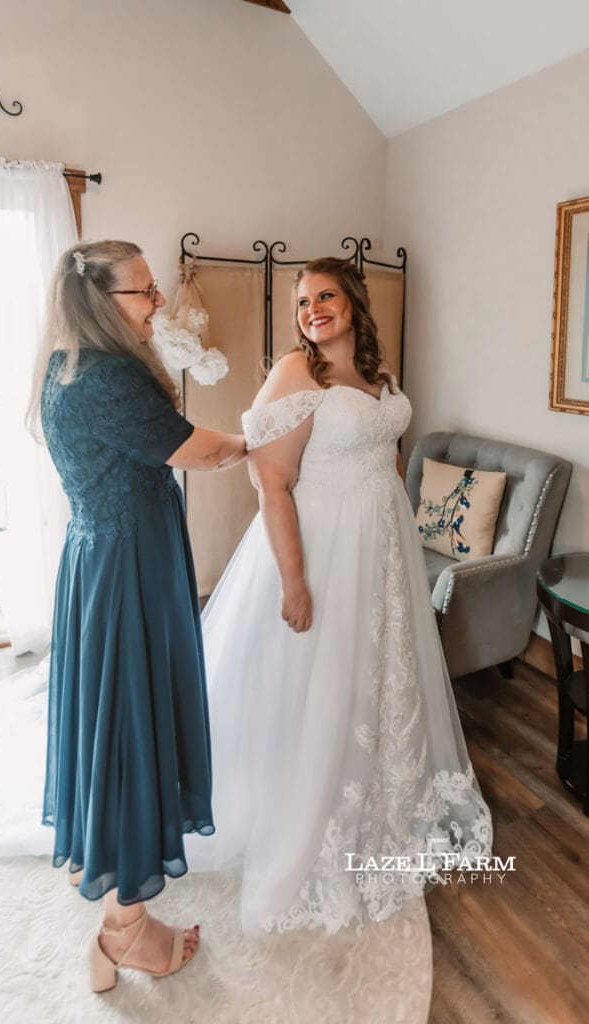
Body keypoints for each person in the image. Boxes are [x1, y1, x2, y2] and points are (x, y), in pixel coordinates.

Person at [184, 257, 493, 934]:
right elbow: (271, 483)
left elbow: (387, 455)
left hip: (382, 541)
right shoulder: (296, 372)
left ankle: (381, 777)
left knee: (375, 669)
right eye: (302, 301)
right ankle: (313, 805)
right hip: (323, 545)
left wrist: (400, 530)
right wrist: (294, 581)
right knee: (320, 675)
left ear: (354, 301)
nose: (312, 309)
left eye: (325, 295)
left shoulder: (379, 373)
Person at [30, 240, 245, 991]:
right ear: (102, 300)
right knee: (129, 725)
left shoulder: (65, 368)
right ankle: (123, 929)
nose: (158, 303)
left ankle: (113, 890)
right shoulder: (112, 376)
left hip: (99, 560)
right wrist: (257, 440)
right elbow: (194, 451)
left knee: (113, 717)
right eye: (145, 291)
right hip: (127, 571)